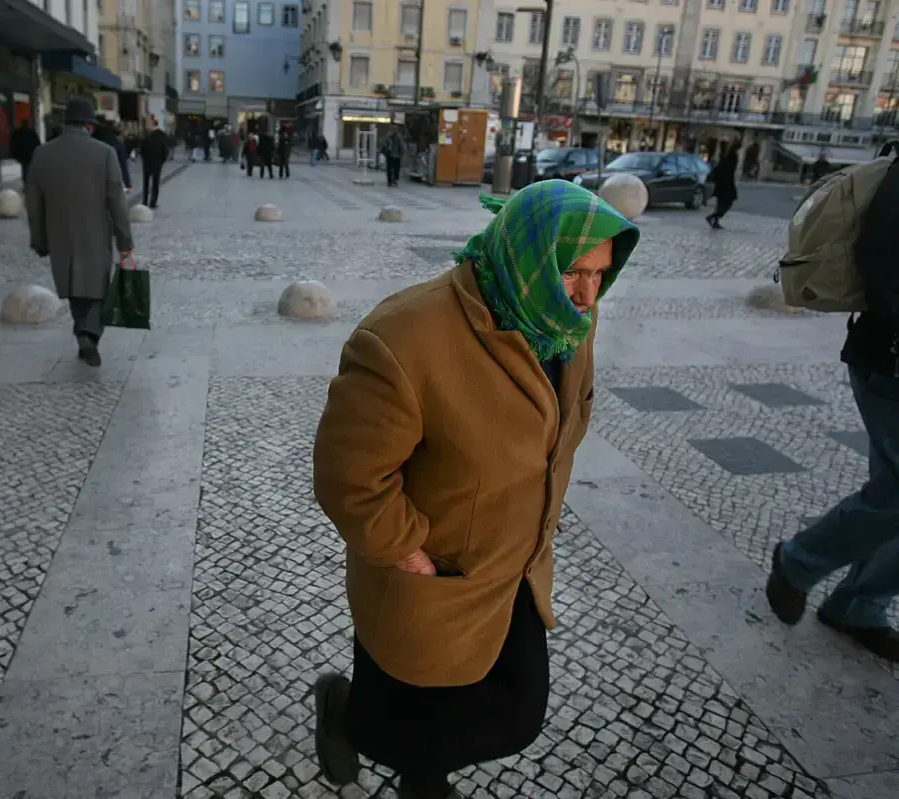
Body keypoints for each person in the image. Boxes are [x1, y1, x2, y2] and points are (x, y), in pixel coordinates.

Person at [311, 180, 640, 799]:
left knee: (514, 711)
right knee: (406, 717)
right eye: (574, 271)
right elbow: (347, 474)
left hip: (513, 563)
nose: (589, 295)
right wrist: (411, 555)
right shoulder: (404, 336)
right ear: (529, 253)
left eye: (601, 275)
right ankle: (357, 725)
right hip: (432, 571)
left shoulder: (566, 322)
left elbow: (566, 418)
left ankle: (409, 760)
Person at [766, 147, 899, 663]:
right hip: (889, 362)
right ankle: (801, 562)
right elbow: (883, 268)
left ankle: (861, 604)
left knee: (891, 493)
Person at [24, 98, 133, 368]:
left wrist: (39, 239)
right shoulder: (105, 153)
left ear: (64, 124)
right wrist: (125, 242)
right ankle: (89, 333)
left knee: (74, 290)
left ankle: (83, 335)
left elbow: (33, 204)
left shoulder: (42, 154)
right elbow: (117, 202)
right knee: (98, 290)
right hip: (96, 235)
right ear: (90, 126)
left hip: (60, 235)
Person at [92, 118, 133, 195]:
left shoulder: (93, 142)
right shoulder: (117, 144)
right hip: (112, 179)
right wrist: (128, 185)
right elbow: (123, 166)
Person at [706, 142, 739, 230]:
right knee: (726, 203)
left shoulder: (725, 157)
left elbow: (717, 170)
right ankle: (713, 217)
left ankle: (715, 221)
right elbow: (728, 169)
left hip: (721, 185)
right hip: (726, 185)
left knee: (720, 204)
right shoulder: (731, 157)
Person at [141, 116, 170, 209]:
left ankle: (146, 201)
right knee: (154, 183)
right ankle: (151, 201)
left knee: (148, 182)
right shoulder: (160, 135)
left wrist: (161, 160)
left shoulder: (147, 135)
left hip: (149, 162)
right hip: (155, 162)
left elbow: (142, 149)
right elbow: (165, 150)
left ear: (153, 123)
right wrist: (162, 160)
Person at [10, 120, 41, 186]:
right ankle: (28, 181)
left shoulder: (18, 132)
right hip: (29, 153)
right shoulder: (31, 132)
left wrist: (14, 153)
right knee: (28, 167)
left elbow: (13, 143)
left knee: (24, 167)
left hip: (22, 154)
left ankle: (26, 182)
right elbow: (37, 143)